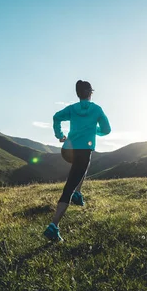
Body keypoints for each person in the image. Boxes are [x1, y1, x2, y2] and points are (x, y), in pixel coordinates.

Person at [43, 80, 111, 242]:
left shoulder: (72, 108)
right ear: (90, 93)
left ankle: (78, 194)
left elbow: (56, 117)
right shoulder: (97, 110)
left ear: (78, 94)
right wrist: (94, 130)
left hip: (67, 150)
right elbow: (107, 130)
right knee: (69, 187)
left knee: (81, 167)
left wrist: (60, 136)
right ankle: (53, 226)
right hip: (82, 153)